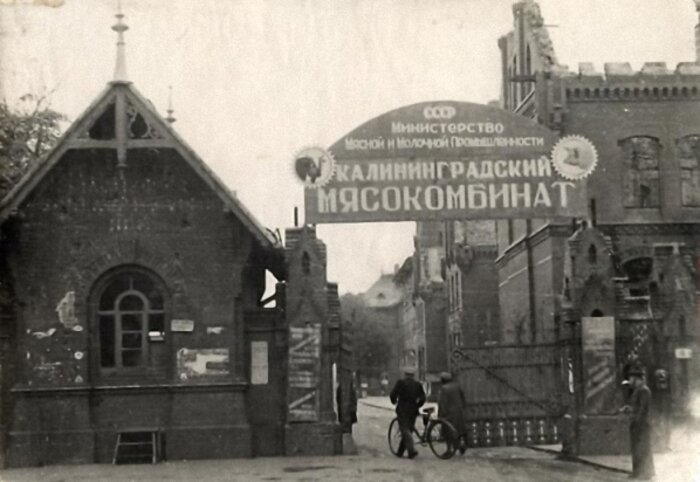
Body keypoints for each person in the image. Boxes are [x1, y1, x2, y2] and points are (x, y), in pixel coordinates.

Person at [619, 367, 655, 480]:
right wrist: (628, 408)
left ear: (636, 378)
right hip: (637, 423)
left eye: (631, 378)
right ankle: (637, 471)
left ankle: (646, 472)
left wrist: (637, 421)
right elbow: (637, 407)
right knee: (636, 449)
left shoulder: (644, 390)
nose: (630, 381)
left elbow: (642, 409)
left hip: (642, 424)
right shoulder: (637, 390)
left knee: (643, 449)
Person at [389, 366, 426, 459]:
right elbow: (423, 397)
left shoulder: (400, 383)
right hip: (413, 410)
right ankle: (400, 452)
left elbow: (393, 395)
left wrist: (394, 401)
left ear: (405, 375)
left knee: (405, 429)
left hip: (402, 409)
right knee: (409, 429)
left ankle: (411, 450)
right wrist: (418, 405)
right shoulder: (418, 385)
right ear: (413, 375)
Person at [437, 371, 467, 454]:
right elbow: (463, 397)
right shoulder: (457, 386)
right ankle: (461, 444)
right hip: (458, 412)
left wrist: (440, 415)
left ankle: (449, 449)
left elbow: (442, 402)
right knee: (459, 430)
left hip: (448, 413)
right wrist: (463, 407)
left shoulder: (443, 388)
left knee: (448, 432)